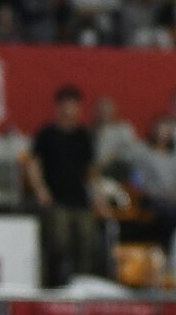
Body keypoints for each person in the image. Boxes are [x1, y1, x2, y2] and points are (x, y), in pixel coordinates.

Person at [20, 85, 109, 287]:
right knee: (60, 239)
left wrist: (99, 196)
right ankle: (56, 284)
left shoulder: (84, 136)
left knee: (88, 239)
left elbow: (91, 171)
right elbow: (33, 163)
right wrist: (40, 189)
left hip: (80, 201)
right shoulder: (46, 134)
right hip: (56, 201)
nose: (69, 110)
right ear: (58, 107)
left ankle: (82, 284)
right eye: (65, 105)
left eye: (73, 106)